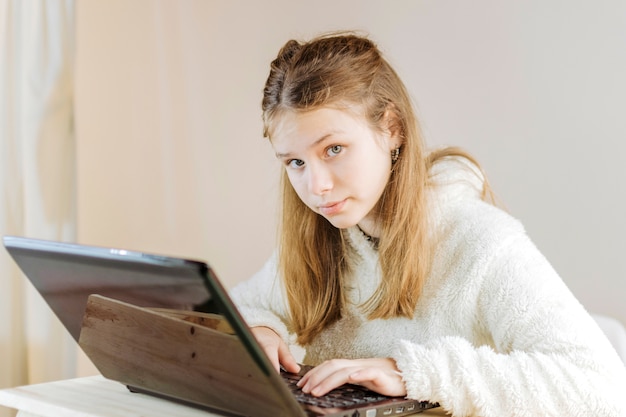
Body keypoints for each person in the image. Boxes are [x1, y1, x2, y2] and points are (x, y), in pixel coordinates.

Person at [230, 32, 626, 416]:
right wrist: (263, 331)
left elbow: (602, 388)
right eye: (295, 162)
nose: (316, 186)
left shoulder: (480, 241)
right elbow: (244, 305)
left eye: (334, 149)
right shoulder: (326, 237)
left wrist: (415, 372)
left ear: (392, 129)